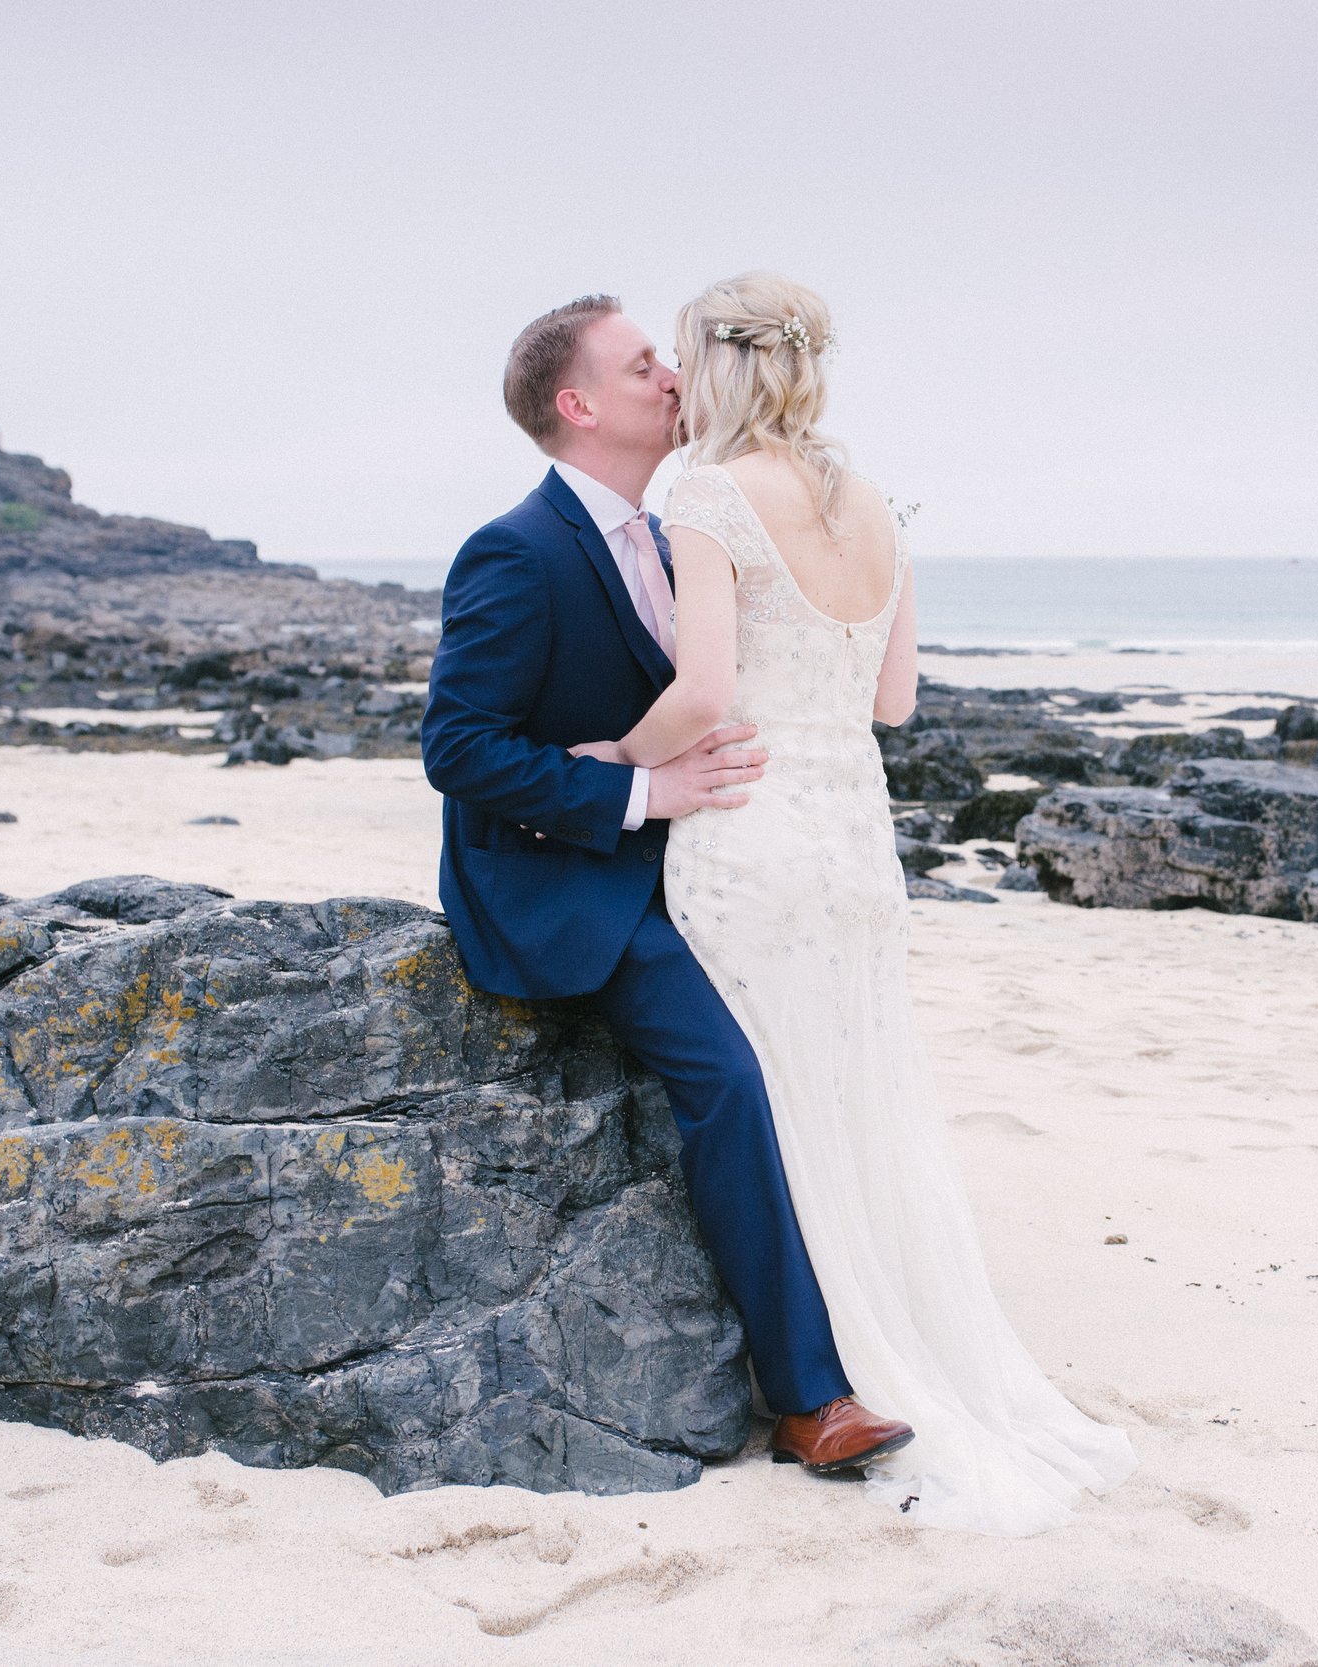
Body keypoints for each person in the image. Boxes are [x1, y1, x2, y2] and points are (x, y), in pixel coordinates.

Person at [573, 271, 1136, 1535]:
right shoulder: (875, 502)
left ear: (719, 368)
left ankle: (818, 1375)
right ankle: (890, 1354)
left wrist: (609, 762)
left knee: (772, 1096)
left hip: (748, 823)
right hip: (852, 834)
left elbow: (707, 687)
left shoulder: (705, 493)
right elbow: (893, 703)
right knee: (861, 1086)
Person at [420, 294, 915, 1479]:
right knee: (732, 1074)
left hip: (702, 859)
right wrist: (638, 792)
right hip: (577, 876)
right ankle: (811, 1399)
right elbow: (458, 746)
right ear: (577, 406)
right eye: (643, 364)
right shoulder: (516, 550)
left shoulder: (688, 522)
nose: (671, 375)